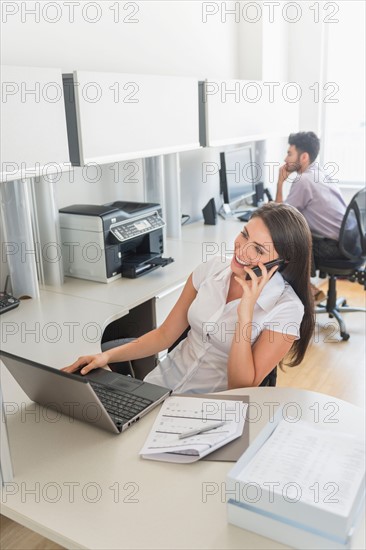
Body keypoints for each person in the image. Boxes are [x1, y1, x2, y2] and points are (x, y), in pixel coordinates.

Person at [63, 203, 315, 394]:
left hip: (209, 412)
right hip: (159, 389)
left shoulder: (286, 309)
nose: (242, 248)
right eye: (245, 234)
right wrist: (107, 357)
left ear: (281, 263)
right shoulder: (212, 269)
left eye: (259, 249)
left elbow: (241, 387)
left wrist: (245, 314)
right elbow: (164, 335)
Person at [275, 132, 347, 300]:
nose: (285, 159)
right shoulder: (320, 173)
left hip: (334, 248)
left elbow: (281, 219)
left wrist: (279, 183)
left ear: (304, 156)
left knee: (283, 242)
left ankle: (306, 293)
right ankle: (308, 290)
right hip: (347, 244)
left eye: (289, 153)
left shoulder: (304, 180)